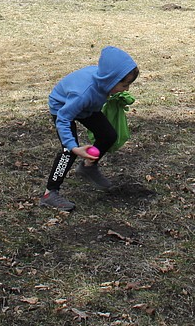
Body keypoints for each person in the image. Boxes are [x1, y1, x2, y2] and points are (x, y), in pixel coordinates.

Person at [39, 46, 140, 211]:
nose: (127, 88)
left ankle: (88, 168)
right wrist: (73, 147)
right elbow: (64, 118)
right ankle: (49, 193)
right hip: (63, 107)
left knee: (108, 135)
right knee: (68, 152)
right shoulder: (83, 93)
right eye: (124, 85)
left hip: (87, 108)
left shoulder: (105, 82)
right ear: (110, 80)